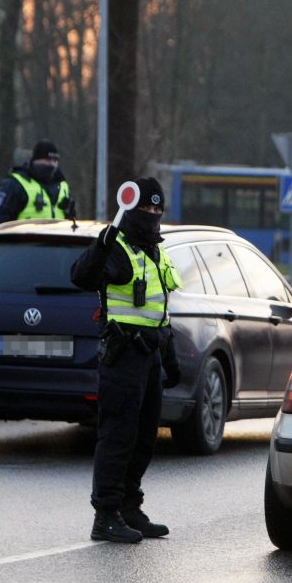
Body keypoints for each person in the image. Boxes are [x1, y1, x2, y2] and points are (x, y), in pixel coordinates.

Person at [71, 177, 182, 544]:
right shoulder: (115, 246)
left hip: (150, 356)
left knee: (145, 437)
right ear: (130, 209)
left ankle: (130, 508)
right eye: (145, 209)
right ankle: (105, 516)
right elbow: (81, 277)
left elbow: (161, 311)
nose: (151, 215)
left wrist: (171, 356)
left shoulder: (156, 251)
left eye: (156, 209)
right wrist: (99, 247)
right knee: (117, 436)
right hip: (122, 356)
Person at [0, 139, 75, 229]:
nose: (52, 164)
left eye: (55, 160)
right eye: (47, 159)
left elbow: (72, 222)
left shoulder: (62, 186)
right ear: (35, 160)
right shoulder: (15, 184)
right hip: (23, 241)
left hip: (58, 241)